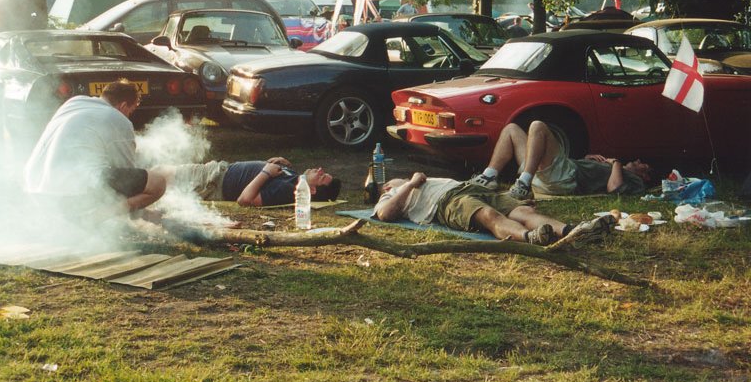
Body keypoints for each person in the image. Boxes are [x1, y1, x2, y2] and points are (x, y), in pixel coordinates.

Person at [24, 79, 167, 223]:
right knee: (157, 182)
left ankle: (68, 219)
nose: (129, 115)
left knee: (102, 175)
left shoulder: (74, 102)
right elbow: (128, 183)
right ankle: (89, 220)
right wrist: (141, 213)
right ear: (123, 105)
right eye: (131, 111)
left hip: (35, 190)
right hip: (69, 197)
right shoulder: (118, 119)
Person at [374, 172, 615, 247]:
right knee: (490, 216)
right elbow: (385, 215)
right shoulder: (391, 195)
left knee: (524, 211)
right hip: (447, 202)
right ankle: (529, 237)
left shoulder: (404, 185)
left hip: (470, 188)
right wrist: (410, 184)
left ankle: (574, 231)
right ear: (386, 187)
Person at [471, 121, 651, 200]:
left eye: (643, 164)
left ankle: (524, 183)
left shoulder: (634, 181)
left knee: (538, 126)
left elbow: (615, 189)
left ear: (645, 176)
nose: (637, 160)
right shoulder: (616, 170)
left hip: (563, 180)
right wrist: (586, 160)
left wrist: (616, 162)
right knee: (511, 129)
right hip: (557, 174)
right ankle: (489, 177)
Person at [162, 157, 341, 207]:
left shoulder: (288, 190)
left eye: (322, 177)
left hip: (212, 182)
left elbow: (245, 199)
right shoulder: (294, 177)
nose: (320, 170)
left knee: (158, 176)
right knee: (158, 174)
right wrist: (273, 163)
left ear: (313, 190)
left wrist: (265, 172)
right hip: (218, 170)